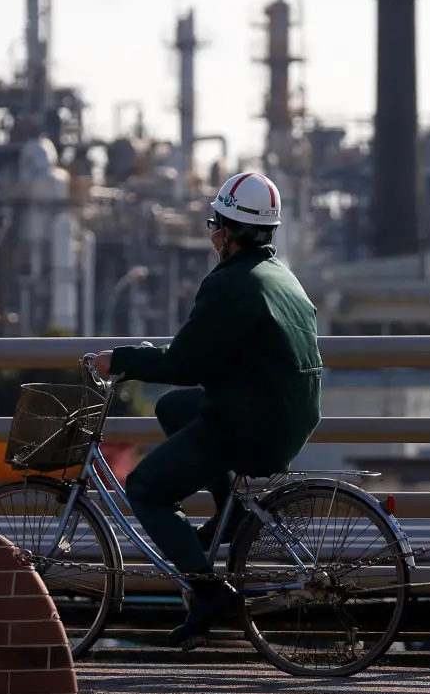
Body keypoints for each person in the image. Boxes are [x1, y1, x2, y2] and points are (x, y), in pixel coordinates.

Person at [92, 172, 323, 647]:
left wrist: (122, 359)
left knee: (145, 487)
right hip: (284, 417)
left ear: (230, 232)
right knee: (176, 409)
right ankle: (232, 513)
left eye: (216, 223)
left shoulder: (230, 285)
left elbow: (184, 361)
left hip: (247, 424)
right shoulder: (282, 277)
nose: (212, 232)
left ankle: (208, 591)